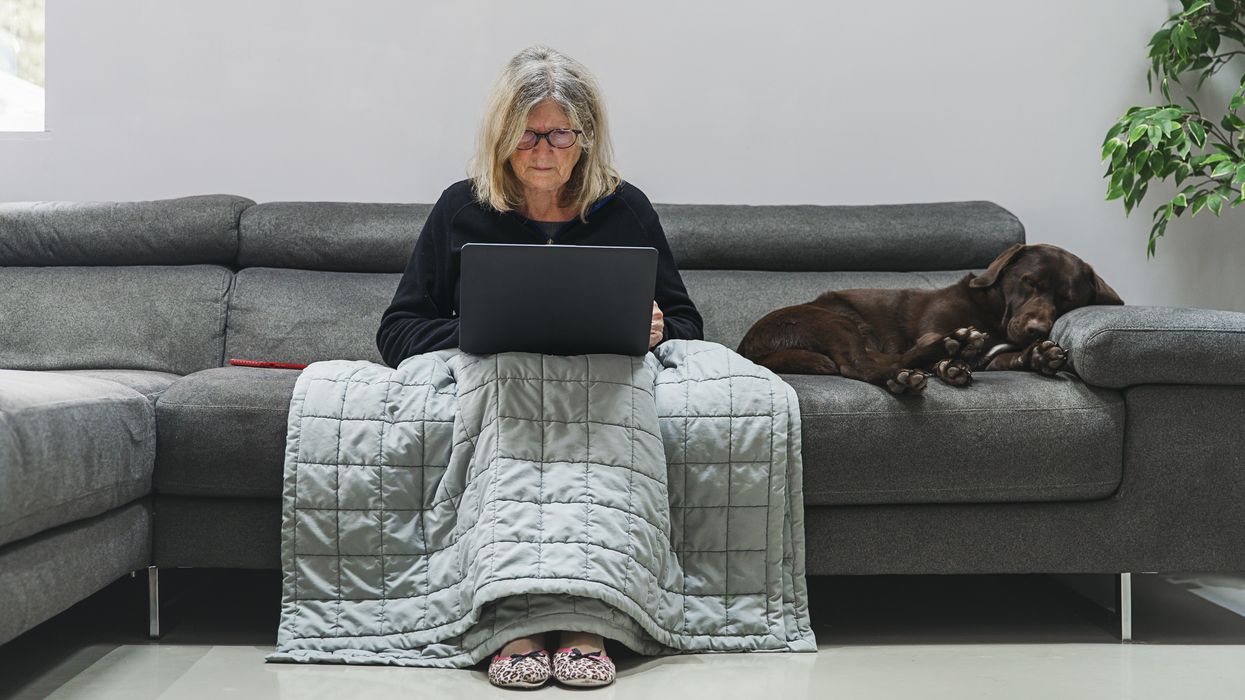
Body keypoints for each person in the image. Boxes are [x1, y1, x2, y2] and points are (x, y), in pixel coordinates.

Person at [374, 45, 704, 688]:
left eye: (560, 134)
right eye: (528, 134)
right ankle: (514, 622)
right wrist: (482, 329)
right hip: (499, 390)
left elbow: (689, 324)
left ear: (586, 138)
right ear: (502, 135)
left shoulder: (626, 208)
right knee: (512, 419)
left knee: (604, 431)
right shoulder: (460, 208)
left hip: (605, 393)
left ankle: (589, 618)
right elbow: (397, 331)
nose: (544, 151)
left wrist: (657, 326)